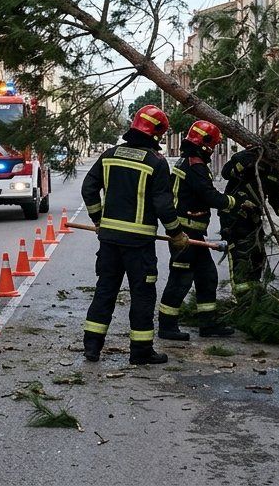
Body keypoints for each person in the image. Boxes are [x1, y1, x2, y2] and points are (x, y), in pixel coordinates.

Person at [80, 105, 184, 365]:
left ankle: (92, 347)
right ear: (157, 135)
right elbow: (163, 204)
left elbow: (88, 189)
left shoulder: (109, 155)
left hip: (109, 241)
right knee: (142, 295)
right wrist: (176, 232)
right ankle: (140, 351)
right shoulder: (156, 163)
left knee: (105, 290)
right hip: (139, 245)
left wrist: (98, 219)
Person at [158, 120, 238, 341]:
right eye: (211, 145)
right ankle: (166, 326)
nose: (212, 150)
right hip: (185, 235)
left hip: (193, 235)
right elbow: (208, 195)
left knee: (207, 276)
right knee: (180, 279)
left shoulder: (188, 161)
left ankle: (208, 324)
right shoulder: (196, 166)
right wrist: (233, 202)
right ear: (204, 144)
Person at [220, 132, 279, 295]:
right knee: (240, 257)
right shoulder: (245, 157)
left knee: (258, 256)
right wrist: (245, 160)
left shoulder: (273, 172)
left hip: (254, 220)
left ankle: (254, 295)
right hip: (234, 217)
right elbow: (226, 173)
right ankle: (241, 299)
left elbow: (277, 201)